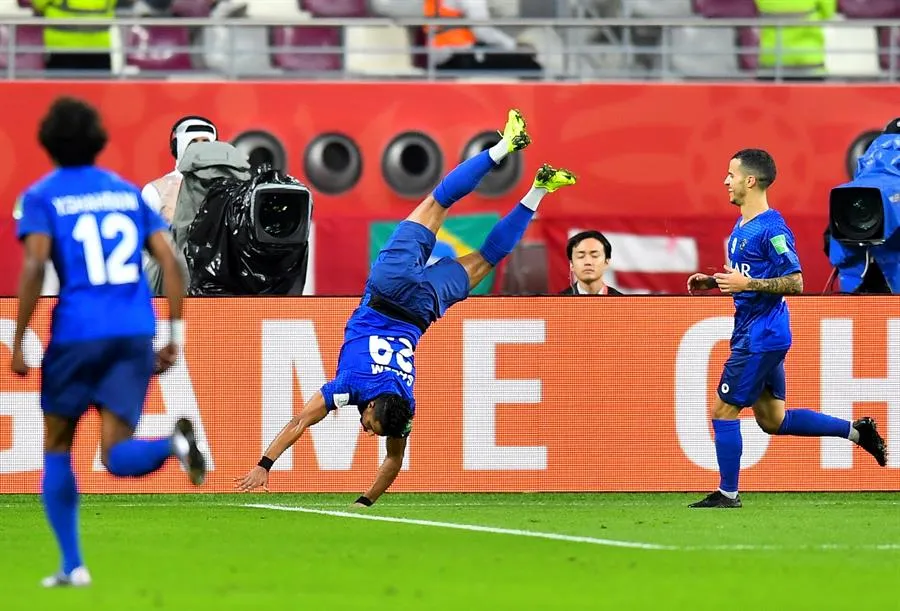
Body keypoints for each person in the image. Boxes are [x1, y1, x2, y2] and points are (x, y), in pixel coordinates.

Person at [235, 109, 576, 505]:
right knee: (439, 206)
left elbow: (393, 460)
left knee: (479, 251)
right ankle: (509, 151)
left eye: (371, 428)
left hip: (421, 309)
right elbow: (304, 422)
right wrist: (266, 463)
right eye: (372, 427)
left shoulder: (403, 405)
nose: (366, 430)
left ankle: (536, 184)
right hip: (390, 291)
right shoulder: (351, 390)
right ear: (378, 407)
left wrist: (366, 501)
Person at [11, 96, 207, 586]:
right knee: (115, 454)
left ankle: (73, 565)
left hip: (77, 332)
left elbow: (35, 265)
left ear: (48, 143)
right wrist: (174, 334)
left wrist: (17, 339)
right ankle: (170, 445)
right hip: (134, 332)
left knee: (58, 444)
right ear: (99, 142)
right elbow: (172, 262)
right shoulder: (125, 193)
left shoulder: (43, 195)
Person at [686, 149, 887, 508]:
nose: (725, 181)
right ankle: (859, 432)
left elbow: (795, 281)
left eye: (730, 174)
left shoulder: (772, 228)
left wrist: (746, 286)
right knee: (773, 420)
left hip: (760, 335)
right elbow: (749, 277)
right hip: (760, 331)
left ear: (750, 181)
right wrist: (714, 282)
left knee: (723, 411)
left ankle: (728, 494)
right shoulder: (743, 225)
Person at [141, 116, 217, 295]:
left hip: (215, 291)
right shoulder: (155, 191)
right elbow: (144, 252)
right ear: (177, 146)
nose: (200, 147)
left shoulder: (228, 189)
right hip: (168, 290)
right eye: (193, 141)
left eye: (205, 141)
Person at [558, 229, 623, 295]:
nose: (588, 262)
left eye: (594, 255)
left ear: (606, 262)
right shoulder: (558, 302)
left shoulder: (623, 302)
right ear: (571, 264)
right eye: (581, 256)